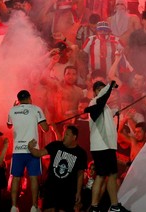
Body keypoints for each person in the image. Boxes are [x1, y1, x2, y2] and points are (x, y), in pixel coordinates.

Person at [84, 80, 128, 212]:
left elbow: (105, 115)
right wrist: (110, 85)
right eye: (102, 90)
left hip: (107, 147)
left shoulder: (104, 107)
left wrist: (114, 112)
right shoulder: (94, 103)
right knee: (101, 175)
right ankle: (94, 206)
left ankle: (114, 206)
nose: (106, 93)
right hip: (101, 147)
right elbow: (100, 105)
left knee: (112, 175)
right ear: (96, 92)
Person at [27, 125, 88, 212]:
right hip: (51, 187)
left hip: (68, 191)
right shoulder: (56, 145)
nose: (64, 136)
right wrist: (31, 148)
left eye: (67, 134)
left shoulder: (81, 153)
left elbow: (80, 174)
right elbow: (39, 153)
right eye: (64, 134)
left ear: (74, 137)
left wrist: (78, 192)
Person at [8, 90, 49, 212]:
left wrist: (15, 110)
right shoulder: (36, 109)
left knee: (16, 177)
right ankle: (34, 206)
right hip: (33, 151)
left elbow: (9, 125)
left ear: (18, 100)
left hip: (17, 151)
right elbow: (45, 129)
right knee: (33, 178)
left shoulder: (12, 110)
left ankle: (14, 207)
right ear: (30, 98)